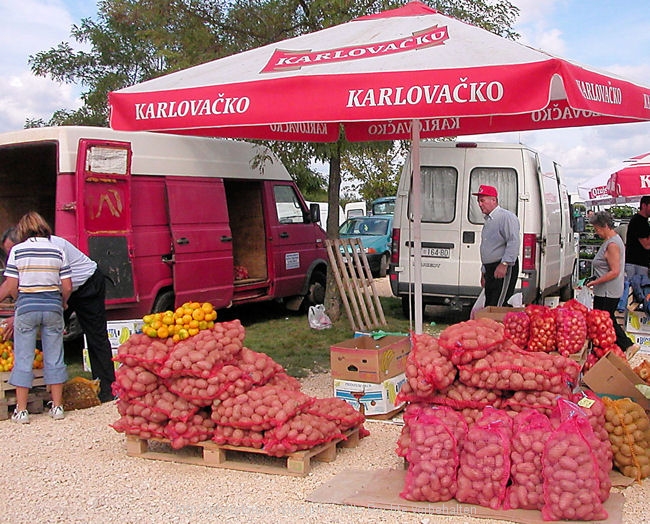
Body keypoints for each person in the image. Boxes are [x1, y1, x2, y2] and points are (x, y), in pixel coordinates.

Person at [2, 227, 116, 402]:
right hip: (62, 290)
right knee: (44, 334)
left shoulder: (51, 247)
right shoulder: (27, 252)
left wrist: (21, 313)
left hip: (87, 283)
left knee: (95, 336)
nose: (11, 255)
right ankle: (47, 388)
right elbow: (9, 285)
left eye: (11, 250)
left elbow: (61, 287)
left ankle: (107, 390)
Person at [0, 212, 72, 423]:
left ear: (23, 230)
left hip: (27, 307)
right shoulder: (58, 250)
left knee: (23, 357)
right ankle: (57, 407)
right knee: (54, 356)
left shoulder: (17, 251)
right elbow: (67, 286)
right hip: (52, 307)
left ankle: (21, 411)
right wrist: (63, 302)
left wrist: (19, 299)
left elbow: (12, 285)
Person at [586, 211, 639, 354]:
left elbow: (614, 271)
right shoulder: (612, 241)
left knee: (605, 320)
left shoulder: (612, 244)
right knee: (607, 319)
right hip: (606, 289)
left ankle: (626, 345)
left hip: (607, 291)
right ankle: (616, 348)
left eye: (597, 229)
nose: (597, 233)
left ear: (604, 226)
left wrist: (595, 282)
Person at [473, 184, 520, 307]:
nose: (479, 204)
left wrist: (504, 264)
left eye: (482, 200)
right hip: (490, 268)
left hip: (502, 266)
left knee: (498, 304)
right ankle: (490, 326)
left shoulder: (506, 217)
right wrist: (484, 272)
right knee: (489, 304)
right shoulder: (489, 220)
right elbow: (488, 247)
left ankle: (498, 326)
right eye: (478, 201)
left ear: (493, 200)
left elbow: (513, 241)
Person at [625, 196, 650, 278]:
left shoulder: (643, 221)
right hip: (636, 264)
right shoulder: (639, 221)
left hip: (638, 263)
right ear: (644, 205)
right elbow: (646, 245)